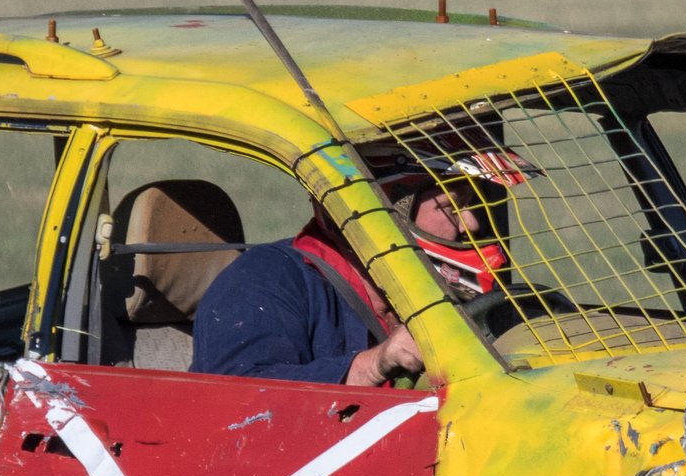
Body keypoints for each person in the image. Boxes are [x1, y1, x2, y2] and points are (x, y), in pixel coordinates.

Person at [189, 146, 518, 386]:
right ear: (382, 212)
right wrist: (377, 364)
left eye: (472, 204)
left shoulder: (440, 285)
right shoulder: (263, 280)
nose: (472, 224)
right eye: (450, 207)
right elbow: (241, 399)